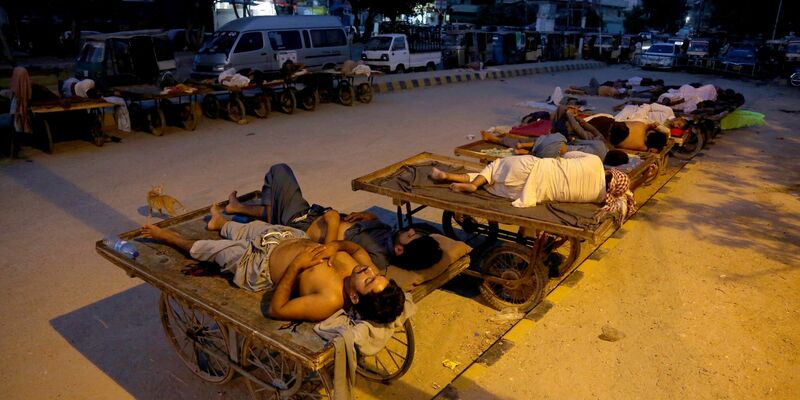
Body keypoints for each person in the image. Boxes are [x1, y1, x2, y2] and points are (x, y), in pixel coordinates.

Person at [141, 204, 405, 323]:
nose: (368, 270)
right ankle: (220, 223)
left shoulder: (328, 300)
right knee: (247, 228)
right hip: (286, 237)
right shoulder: (364, 268)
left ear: (355, 298)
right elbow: (356, 247)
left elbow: (278, 309)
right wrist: (336, 245)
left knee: (209, 250)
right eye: (374, 273)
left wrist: (297, 265)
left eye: (369, 280)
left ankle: (169, 238)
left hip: (255, 264)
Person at [225, 163, 443, 270]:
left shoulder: (376, 258)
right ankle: (239, 208)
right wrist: (367, 216)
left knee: (279, 171)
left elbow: (334, 254)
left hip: (302, 222)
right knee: (281, 202)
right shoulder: (390, 235)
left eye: (413, 236)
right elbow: (366, 229)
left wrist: (332, 221)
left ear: (399, 250)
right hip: (313, 214)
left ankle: (271, 214)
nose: (412, 230)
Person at [430, 152, 636, 221]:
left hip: (534, 168)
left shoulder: (593, 161)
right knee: (490, 182)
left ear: (610, 172)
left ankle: (460, 180)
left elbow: (565, 156)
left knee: (495, 167)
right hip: (528, 193)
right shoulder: (597, 196)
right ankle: (458, 179)